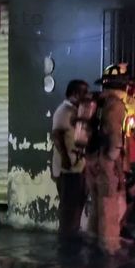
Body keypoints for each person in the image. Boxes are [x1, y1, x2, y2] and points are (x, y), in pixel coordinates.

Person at [87, 65, 131, 258]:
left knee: (97, 200)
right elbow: (114, 134)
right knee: (109, 202)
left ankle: (93, 238)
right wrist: (114, 159)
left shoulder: (98, 102)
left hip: (92, 157)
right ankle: (110, 245)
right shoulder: (116, 105)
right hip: (105, 158)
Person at [51, 80, 90, 241]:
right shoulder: (64, 111)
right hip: (68, 169)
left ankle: (72, 234)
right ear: (74, 93)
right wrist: (66, 159)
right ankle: (66, 239)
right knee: (69, 206)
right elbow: (57, 135)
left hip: (77, 167)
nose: (86, 96)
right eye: (83, 92)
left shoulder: (75, 111)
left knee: (77, 203)